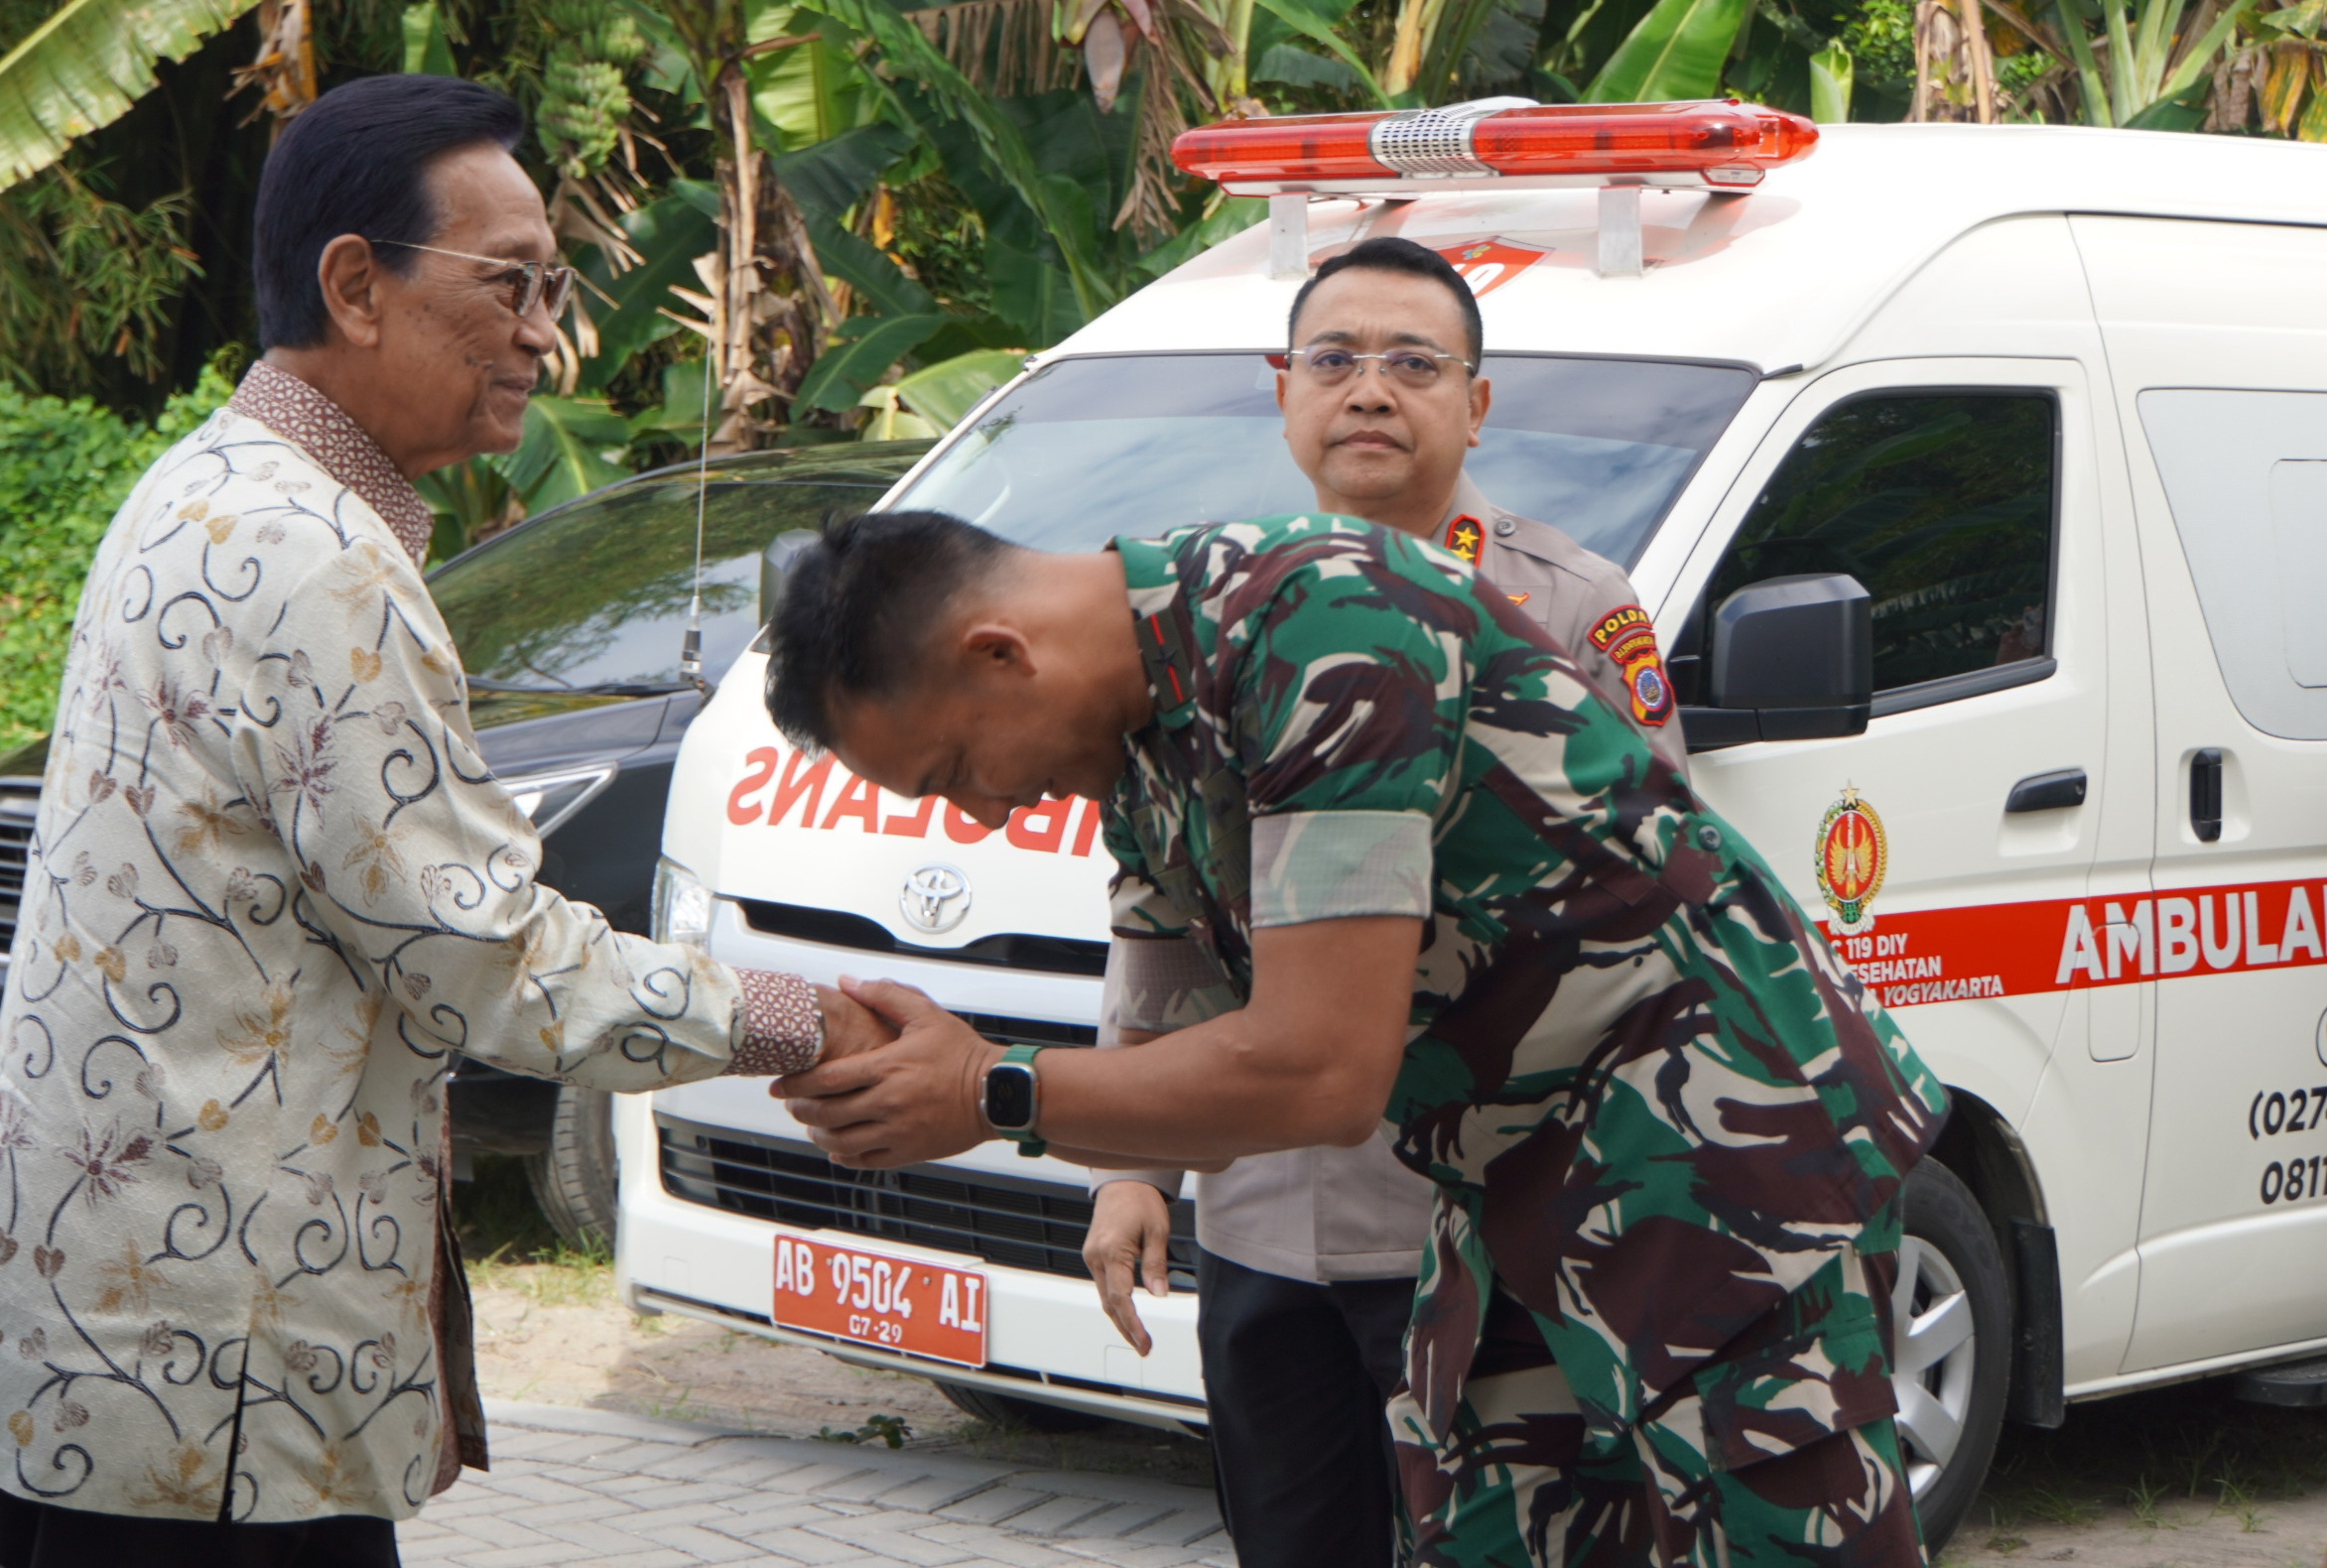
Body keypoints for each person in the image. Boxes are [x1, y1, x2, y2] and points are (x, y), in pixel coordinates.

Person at [0, 74, 881, 1568]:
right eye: (510, 283)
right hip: (214, 1391)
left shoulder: (202, 484)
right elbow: (486, 958)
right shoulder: (318, 559)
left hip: (90, 1350)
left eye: (552, 288)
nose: (544, 333)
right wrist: (798, 1017)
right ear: (356, 285)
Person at [755, 507, 1946, 1566]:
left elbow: (1319, 1070)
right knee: (1489, 1528)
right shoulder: (1137, 741)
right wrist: (889, 1052)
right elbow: (1175, 1067)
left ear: (1000, 653)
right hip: (1514, 1181)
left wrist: (991, 1089)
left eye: (956, 768)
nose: (982, 811)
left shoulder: (1324, 626)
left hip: (1720, 1149)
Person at [1081, 235, 1689, 1567]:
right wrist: (1133, 1163)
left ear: (1477, 402)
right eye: (1334, 359)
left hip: (1484, 1221)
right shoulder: (1208, 612)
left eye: (1414, 363)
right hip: (1260, 1214)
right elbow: (1165, 913)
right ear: (1280, 390)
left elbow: (1650, 908)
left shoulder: (1568, 608)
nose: (1369, 389)